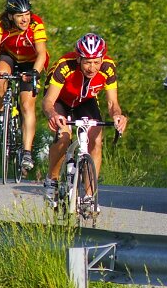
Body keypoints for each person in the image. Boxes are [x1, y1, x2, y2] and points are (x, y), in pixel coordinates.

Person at [41, 33, 128, 203]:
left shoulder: (108, 68)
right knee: (63, 137)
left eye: (96, 62)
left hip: (85, 101)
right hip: (60, 101)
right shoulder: (65, 65)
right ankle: (52, 179)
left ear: (102, 59)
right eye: (87, 62)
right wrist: (53, 115)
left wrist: (118, 115)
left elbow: (112, 103)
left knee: (96, 140)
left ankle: (89, 196)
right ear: (79, 59)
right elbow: (48, 101)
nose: (92, 68)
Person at [0, 0, 49, 171]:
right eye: (20, 16)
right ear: (11, 16)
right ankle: (1, 112)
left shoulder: (36, 24)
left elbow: (42, 53)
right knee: (0, 75)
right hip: (10, 57)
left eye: (27, 14)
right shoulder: (1, 24)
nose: (25, 19)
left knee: (27, 105)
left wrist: (35, 72)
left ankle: (27, 152)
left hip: (31, 62)